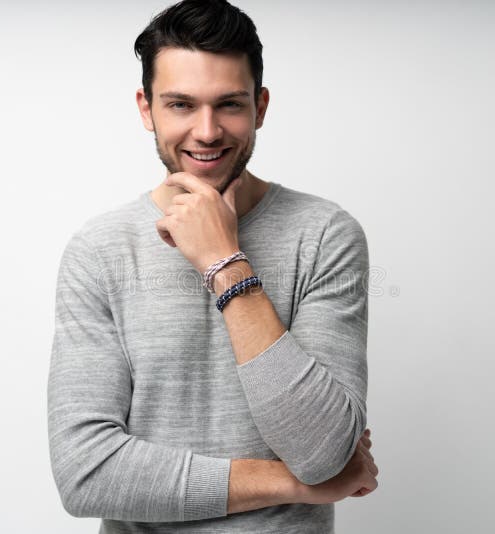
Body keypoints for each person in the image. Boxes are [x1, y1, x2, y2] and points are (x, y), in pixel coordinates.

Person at [47, 0, 378, 532]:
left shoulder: (323, 235)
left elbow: (322, 451)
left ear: (261, 107)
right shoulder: (100, 250)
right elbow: (86, 474)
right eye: (180, 105)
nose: (206, 132)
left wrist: (225, 263)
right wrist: (292, 484)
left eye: (229, 104)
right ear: (146, 107)